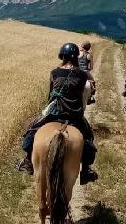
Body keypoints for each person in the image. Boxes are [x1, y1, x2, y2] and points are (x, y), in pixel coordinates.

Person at [17, 42, 98, 184]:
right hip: (74, 116)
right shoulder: (82, 75)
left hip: (54, 113)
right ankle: (86, 170)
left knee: (32, 129)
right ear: (76, 58)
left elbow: (50, 96)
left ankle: (28, 161)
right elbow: (83, 95)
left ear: (62, 56)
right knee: (88, 136)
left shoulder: (54, 72)